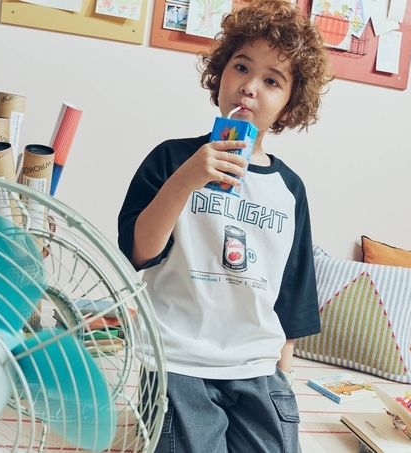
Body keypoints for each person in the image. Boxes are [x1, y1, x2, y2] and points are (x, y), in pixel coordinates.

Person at [118, 1, 332, 451]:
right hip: (178, 360)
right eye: (241, 67)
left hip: (257, 366)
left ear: (288, 106)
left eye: (272, 81)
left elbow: (292, 293)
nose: (249, 87)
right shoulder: (172, 159)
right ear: (220, 76)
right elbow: (140, 251)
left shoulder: (290, 190)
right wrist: (187, 179)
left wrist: (284, 378)